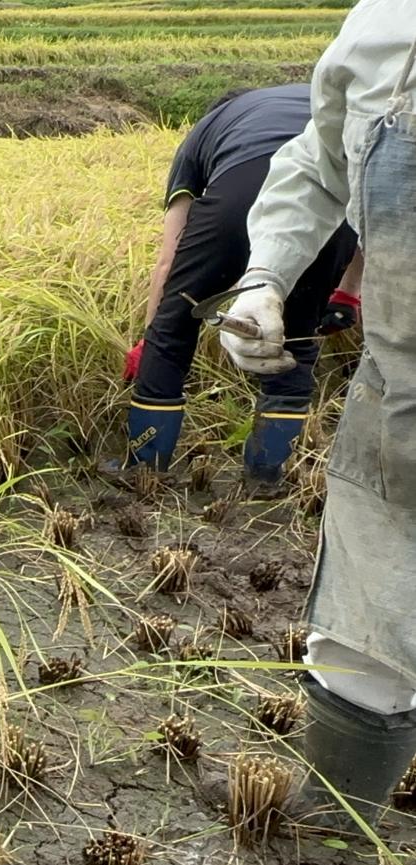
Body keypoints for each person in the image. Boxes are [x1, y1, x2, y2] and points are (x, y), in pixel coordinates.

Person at [227, 0, 416, 821]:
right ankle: (339, 838)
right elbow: (320, 158)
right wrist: (263, 279)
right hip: (401, 399)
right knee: (365, 630)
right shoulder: (384, 24)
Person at [111, 84, 362, 493]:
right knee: (295, 338)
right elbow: (365, 210)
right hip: (327, 202)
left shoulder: (207, 129)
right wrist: (348, 293)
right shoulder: (326, 100)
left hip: (239, 191)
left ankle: (145, 471)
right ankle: (266, 478)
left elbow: (170, 258)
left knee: (174, 330)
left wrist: (150, 338)